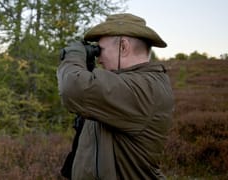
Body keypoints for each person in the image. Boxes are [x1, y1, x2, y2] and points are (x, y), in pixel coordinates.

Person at [57, 13, 174, 179]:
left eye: (100, 50)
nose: (99, 59)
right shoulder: (128, 83)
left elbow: (73, 88)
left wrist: (73, 56)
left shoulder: (144, 88)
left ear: (123, 47)